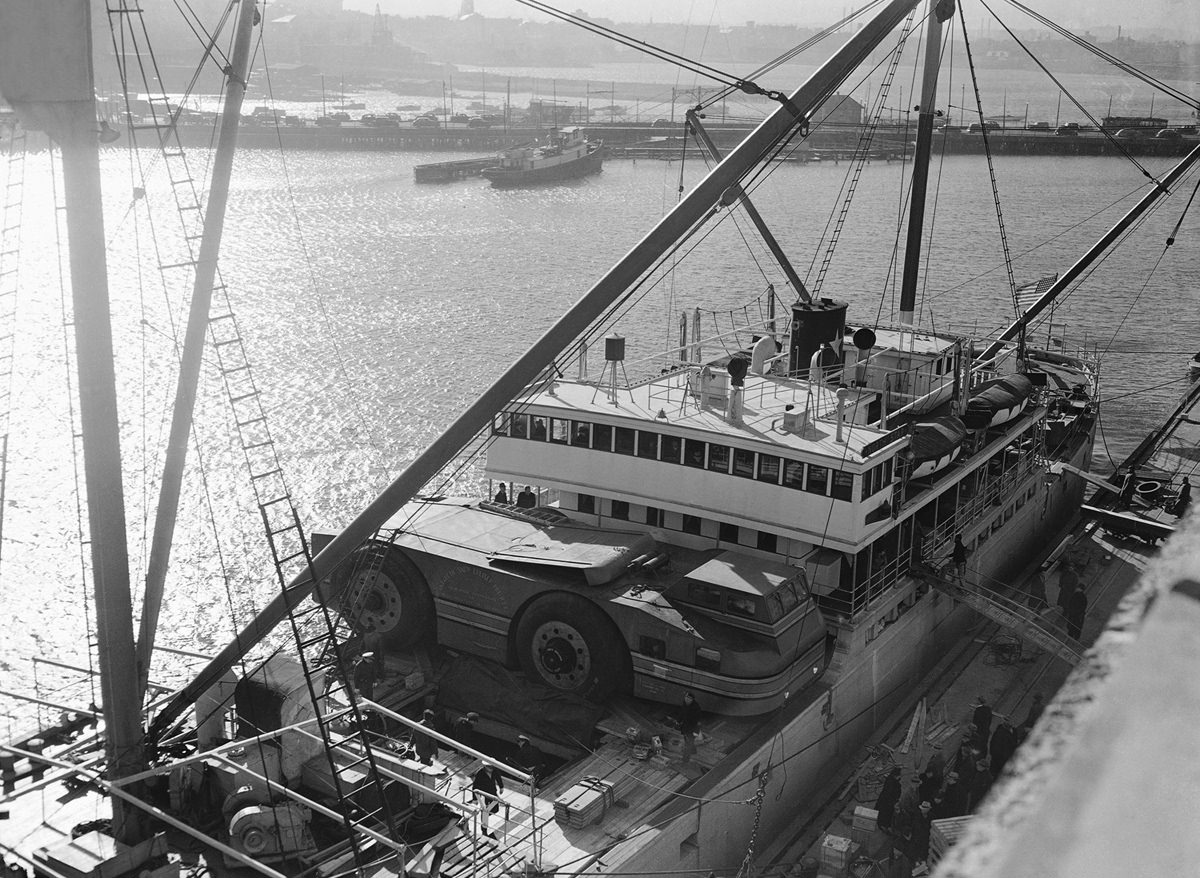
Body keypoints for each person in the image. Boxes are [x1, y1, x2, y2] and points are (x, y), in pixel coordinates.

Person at [472, 764, 504, 838]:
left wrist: (501, 787)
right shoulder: (480, 773)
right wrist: (475, 798)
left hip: (493, 792)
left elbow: (498, 777)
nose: (491, 768)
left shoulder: (494, 771)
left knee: (495, 809)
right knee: (485, 812)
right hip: (484, 794)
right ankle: (484, 829)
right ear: (485, 767)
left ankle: (484, 816)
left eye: (492, 767)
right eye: (489, 767)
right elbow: (475, 785)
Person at [874, 767, 903, 833]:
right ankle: (884, 826)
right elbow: (891, 794)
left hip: (884, 801)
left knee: (883, 814)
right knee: (886, 815)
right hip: (888, 803)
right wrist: (894, 802)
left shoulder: (889, 779)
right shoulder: (894, 784)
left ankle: (883, 825)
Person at [677, 691, 702, 764]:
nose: (686, 699)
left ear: (692, 699)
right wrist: (678, 720)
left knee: (688, 744)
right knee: (687, 741)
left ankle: (685, 760)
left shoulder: (696, 709)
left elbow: (698, 722)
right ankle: (693, 751)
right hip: (685, 727)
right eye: (686, 697)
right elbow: (682, 712)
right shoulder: (685, 704)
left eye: (688, 698)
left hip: (692, 729)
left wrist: (696, 732)